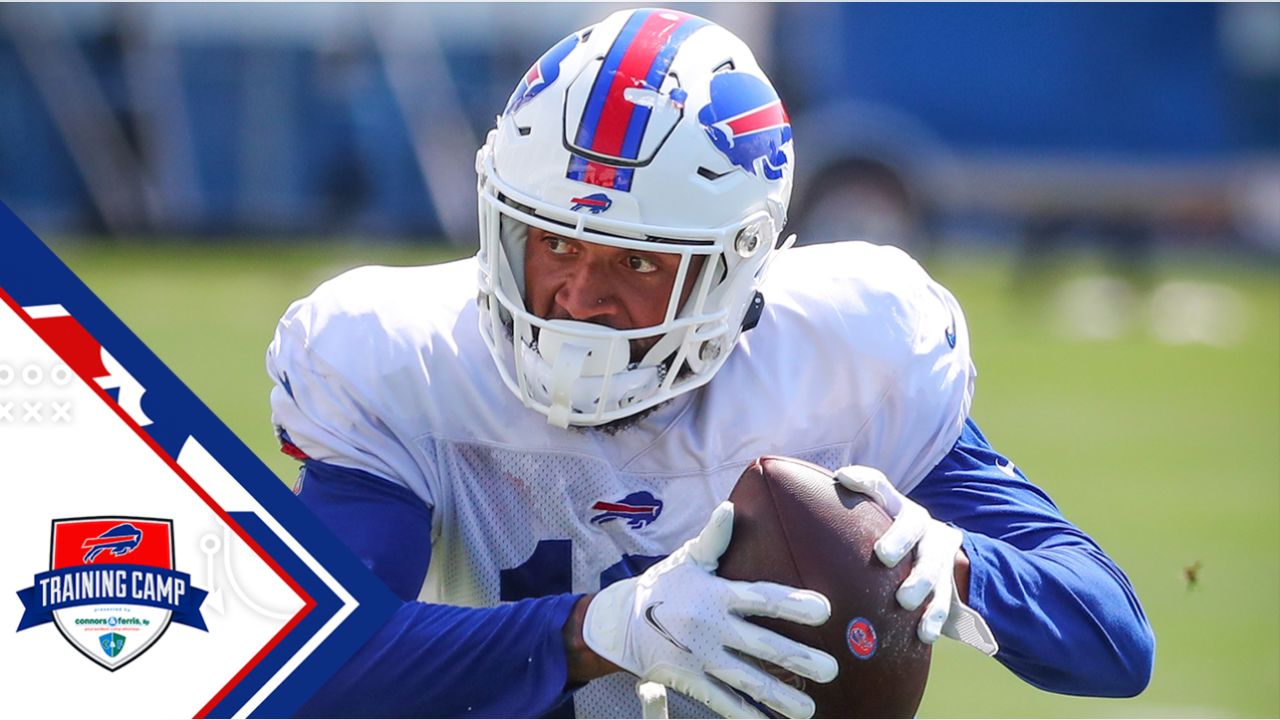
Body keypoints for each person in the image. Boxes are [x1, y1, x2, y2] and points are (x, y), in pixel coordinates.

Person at [267, 8, 1154, 718]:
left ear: (735, 268)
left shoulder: (846, 353)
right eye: (552, 243)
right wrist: (603, 631)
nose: (577, 297)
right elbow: (309, 668)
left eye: (637, 261)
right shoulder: (401, 359)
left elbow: (1114, 643)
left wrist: (960, 567)